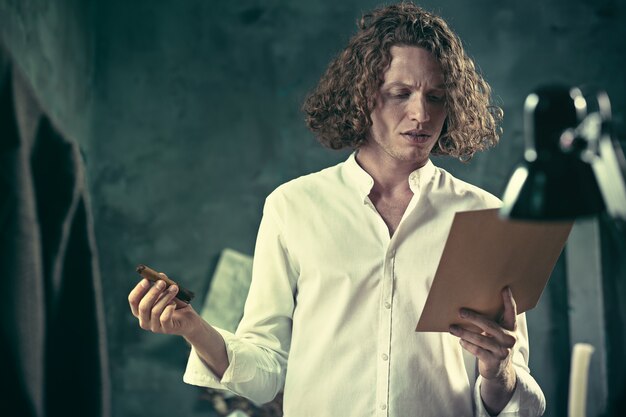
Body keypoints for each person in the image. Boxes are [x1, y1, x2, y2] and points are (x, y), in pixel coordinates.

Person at [128, 3, 546, 416]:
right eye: (401, 93)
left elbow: (522, 406)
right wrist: (194, 330)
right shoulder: (292, 207)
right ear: (364, 98)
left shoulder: (484, 216)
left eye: (435, 97)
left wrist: (499, 371)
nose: (421, 114)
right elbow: (267, 371)